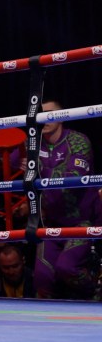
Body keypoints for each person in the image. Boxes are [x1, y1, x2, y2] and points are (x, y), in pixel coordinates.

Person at [34, 100, 102, 300]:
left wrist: (40, 170)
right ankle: (49, 324)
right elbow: (13, 159)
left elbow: (73, 176)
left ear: (62, 116)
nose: (44, 118)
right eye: (41, 114)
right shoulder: (33, 143)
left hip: (83, 222)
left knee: (67, 268)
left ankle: (97, 287)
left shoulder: (78, 140)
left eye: (50, 114)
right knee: (42, 277)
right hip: (52, 224)